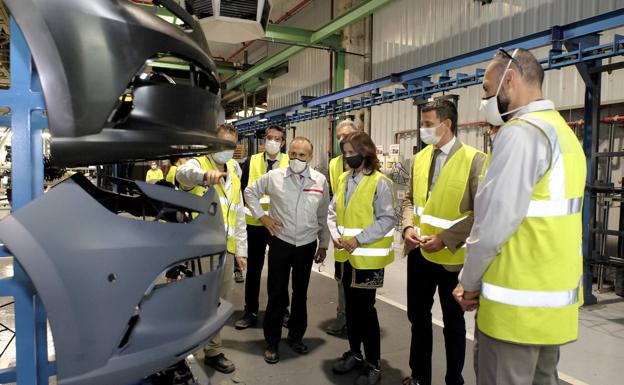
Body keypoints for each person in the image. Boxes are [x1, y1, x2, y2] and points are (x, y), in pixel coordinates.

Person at [453, 48, 586, 385]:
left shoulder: (520, 132)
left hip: (514, 311)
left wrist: (468, 283)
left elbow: (494, 225)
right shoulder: (562, 134)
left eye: (486, 89)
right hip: (550, 309)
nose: (484, 99)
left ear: (509, 80)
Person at [401, 99, 486, 385]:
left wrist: (446, 239)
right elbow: (411, 200)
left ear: (446, 124)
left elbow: (482, 213)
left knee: (453, 325)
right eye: (422, 124)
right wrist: (408, 227)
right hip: (420, 254)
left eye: (427, 124)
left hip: (453, 259)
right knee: (418, 318)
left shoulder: (475, 160)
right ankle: (419, 377)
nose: (423, 129)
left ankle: (454, 380)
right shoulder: (420, 158)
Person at [244, 136, 330, 364]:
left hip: (306, 244)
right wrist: (262, 217)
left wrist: (323, 244)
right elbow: (249, 192)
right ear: (288, 153)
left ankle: (296, 337)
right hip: (280, 242)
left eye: (302, 155)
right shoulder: (274, 177)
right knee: (276, 294)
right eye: (293, 153)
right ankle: (272, 343)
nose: (296, 158)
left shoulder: (320, 181)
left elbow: (323, 215)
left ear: (310, 157)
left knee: (300, 294)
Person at [176, 124, 248, 374]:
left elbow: (238, 216)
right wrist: (203, 177)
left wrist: (241, 251)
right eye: (221, 144)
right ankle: (186, 352)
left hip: (225, 249)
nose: (225, 150)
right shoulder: (198, 164)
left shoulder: (235, 176)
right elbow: (182, 176)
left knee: (219, 303)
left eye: (230, 146)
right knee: (198, 301)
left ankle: (213, 351)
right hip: (201, 248)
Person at [328, 131, 395, 385]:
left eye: (352, 153)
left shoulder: (380, 182)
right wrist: (335, 235)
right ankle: (355, 354)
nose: (347, 158)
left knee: (366, 312)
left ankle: (374, 364)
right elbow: (333, 212)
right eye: (345, 153)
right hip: (345, 257)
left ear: (365, 153)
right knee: (351, 311)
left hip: (367, 260)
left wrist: (359, 239)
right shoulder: (345, 179)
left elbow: (387, 219)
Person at [235, 126, 290, 330]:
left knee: (280, 270)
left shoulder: (288, 162)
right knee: (254, 270)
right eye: (270, 138)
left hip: (278, 225)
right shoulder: (252, 161)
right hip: (255, 224)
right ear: (264, 140)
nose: (273, 141)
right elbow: (243, 190)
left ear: (283, 142)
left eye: (277, 139)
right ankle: (250, 311)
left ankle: (282, 310)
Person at [326, 119, 359, 336]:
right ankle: (342, 315)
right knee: (341, 277)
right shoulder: (334, 164)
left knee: (359, 281)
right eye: (338, 136)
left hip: (361, 236)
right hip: (340, 233)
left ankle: (356, 319)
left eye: (346, 135)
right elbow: (334, 201)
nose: (341, 139)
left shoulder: (368, 162)